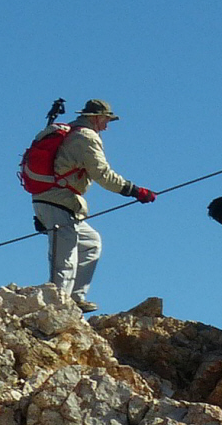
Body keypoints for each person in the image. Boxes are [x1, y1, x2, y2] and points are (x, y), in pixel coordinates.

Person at [32, 99, 156, 313]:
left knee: (91, 243)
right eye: (106, 119)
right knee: (65, 256)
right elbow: (103, 175)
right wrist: (135, 191)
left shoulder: (70, 130)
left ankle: (75, 297)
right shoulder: (86, 137)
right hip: (59, 199)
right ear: (96, 118)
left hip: (54, 200)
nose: (107, 125)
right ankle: (57, 306)